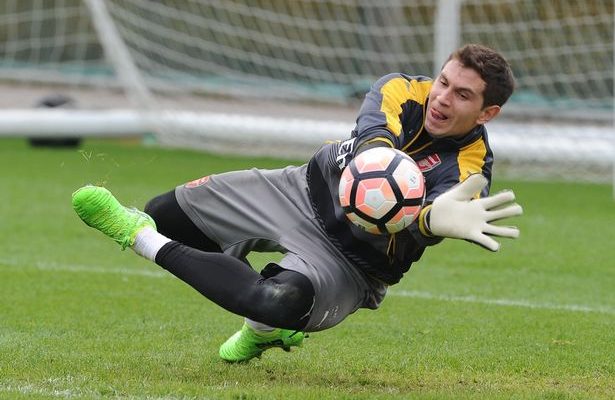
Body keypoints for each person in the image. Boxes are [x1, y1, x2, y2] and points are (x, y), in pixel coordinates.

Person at [72, 44, 523, 363]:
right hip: (299, 191)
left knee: (276, 301)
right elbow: (373, 146)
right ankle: (169, 240)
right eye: (444, 81)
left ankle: (138, 237)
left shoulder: (470, 169)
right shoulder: (401, 91)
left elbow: (443, 210)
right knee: (167, 215)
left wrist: (428, 223)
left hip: (351, 262)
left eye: (462, 95)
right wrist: (396, 186)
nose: (442, 98)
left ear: (487, 114)